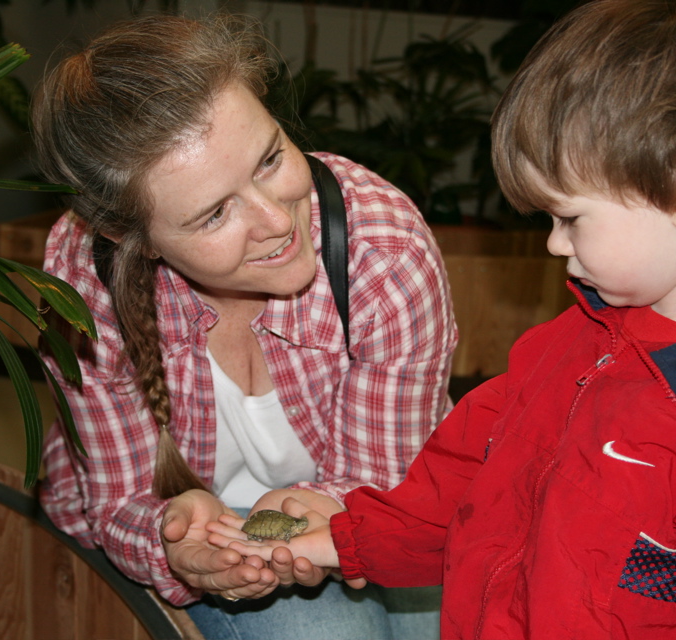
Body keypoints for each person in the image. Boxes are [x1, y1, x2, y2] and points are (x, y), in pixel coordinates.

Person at [210, 0, 676, 637]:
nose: (556, 244)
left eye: (572, 218)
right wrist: (340, 540)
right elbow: (459, 492)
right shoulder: (562, 348)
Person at [29, 13, 456, 640]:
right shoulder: (84, 273)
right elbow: (118, 503)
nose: (277, 220)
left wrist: (324, 509)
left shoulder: (383, 251)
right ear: (128, 236)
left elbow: (384, 478)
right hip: (199, 520)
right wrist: (173, 542)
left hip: (369, 496)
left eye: (271, 158)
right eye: (212, 215)